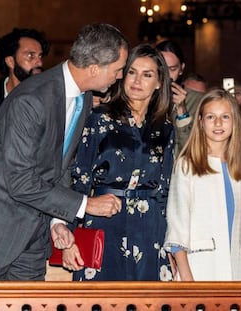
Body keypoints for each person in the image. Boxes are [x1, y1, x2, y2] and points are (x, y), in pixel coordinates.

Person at [0, 23, 129, 280]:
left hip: (34, 233)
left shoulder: (83, 97)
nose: (120, 76)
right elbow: (21, 181)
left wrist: (57, 221)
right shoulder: (31, 99)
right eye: (118, 69)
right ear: (94, 69)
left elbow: (61, 165)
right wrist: (86, 204)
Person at [62, 43, 175, 281]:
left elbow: (165, 192)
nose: (137, 81)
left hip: (149, 229)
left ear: (159, 82)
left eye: (147, 75)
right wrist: (69, 237)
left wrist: (172, 245)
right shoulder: (99, 118)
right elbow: (80, 180)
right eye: (132, 72)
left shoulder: (164, 128)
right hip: (104, 223)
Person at [164, 88, 241, 281]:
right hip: (199, 264)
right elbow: (178, 221)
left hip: (238, 263)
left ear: (235, 122)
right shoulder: (188, 164)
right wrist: (185, 274)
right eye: (211, 117)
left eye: (225, 117)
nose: (218, 123)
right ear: (200, 122)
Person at [0, 28, 50, 160]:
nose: (39, 63)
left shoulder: (51, 101)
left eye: (40, 56)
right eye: (30, 55)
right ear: (10, 61)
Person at [156, 40, 205, 156]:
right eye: (162, 69)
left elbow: (194, 151)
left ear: (181, 69)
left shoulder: (198, 101)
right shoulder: (140, 97)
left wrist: (182, 112)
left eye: (172, 69)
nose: (167, 75)